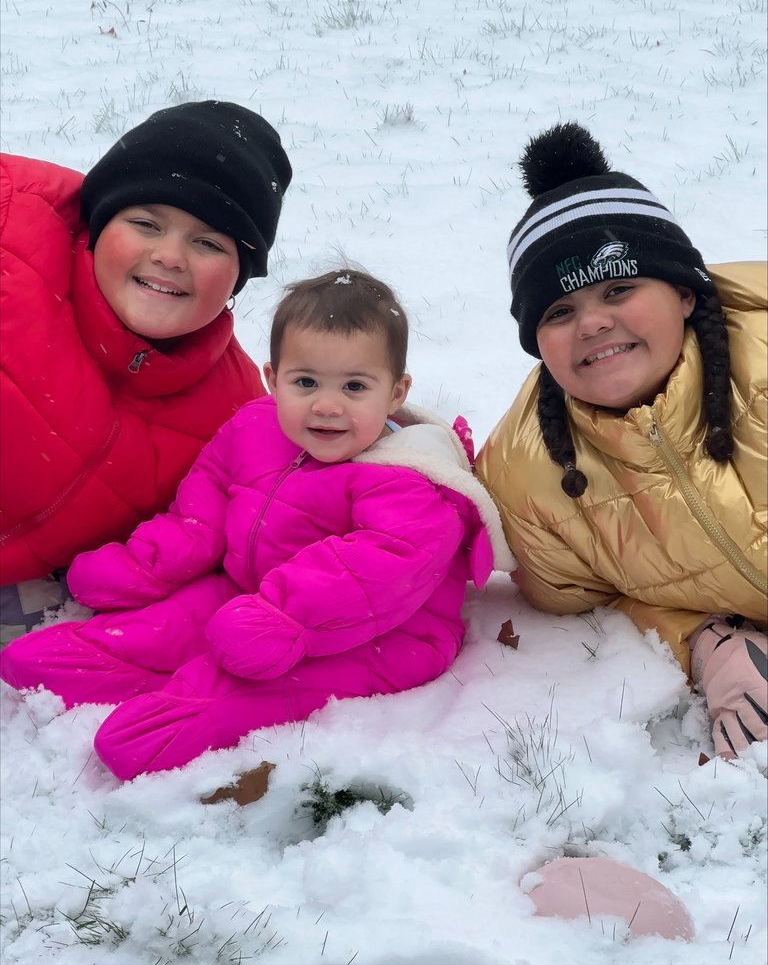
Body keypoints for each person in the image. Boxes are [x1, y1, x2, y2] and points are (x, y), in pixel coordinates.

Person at [0, 271, 514, 780]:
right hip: (245, 595)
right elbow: (200, 510)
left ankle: (197, 705)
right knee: (45, 658)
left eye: (355, 386)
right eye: (305, 382)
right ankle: (146, 666)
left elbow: (376, 567)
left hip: (385, 637)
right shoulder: (253, 427)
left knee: (192, 708)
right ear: (273, 378)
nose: (327, 405)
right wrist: (142, 565)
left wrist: (282, 618)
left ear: (396, 391)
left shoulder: (412, 480)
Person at [476, 123, 767, 760]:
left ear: (685, 292)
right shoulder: (528, 481)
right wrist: (708, 641)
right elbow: (596, 598)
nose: (594, 322)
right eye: (558, 311)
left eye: (618, 288)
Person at [0, 100, 292, 639]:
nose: (170, 256)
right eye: (145, 223)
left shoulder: (236, 410)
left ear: (239, 276)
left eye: (207, 242)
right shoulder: (12, 236)